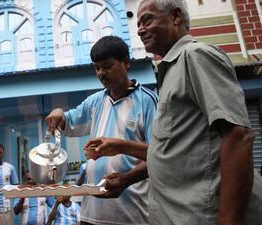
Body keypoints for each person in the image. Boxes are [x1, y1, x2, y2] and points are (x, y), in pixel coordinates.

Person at [103, 0, 262, 224]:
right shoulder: (170, 71)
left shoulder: (196, 56)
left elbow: (239, 136)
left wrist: (229, 220)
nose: (139, 29)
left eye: (147, 20)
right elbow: (171, 152)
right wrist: (126, 178)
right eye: (138, 23)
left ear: (176, 17)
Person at [46, 35, 157, 225]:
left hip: (132, 216)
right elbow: (68, 121)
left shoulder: (148, 101)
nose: (101, 73)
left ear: (126, 63)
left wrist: (127, 179)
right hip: (91, 215)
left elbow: (159, 155)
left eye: (107, 66)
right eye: (97, 68)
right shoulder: (95, 101)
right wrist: (58, 112)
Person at [0, 143, 19, 225]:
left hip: (5, 208)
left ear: (3, 153)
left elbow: (16, 186)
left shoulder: (10, 168)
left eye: (0, 152)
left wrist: (13, 202)